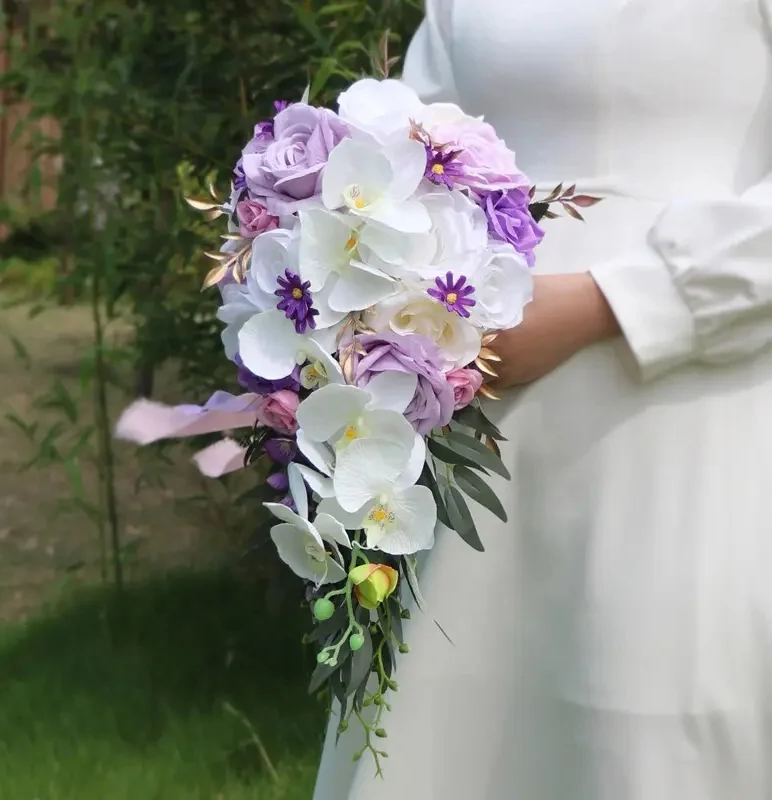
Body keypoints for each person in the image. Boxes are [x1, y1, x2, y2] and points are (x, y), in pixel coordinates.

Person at [312, 1, 772, 797]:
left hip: (696, 414)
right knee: (455, 728)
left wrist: (615, 300)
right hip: (477, 434)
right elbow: (410, 153)